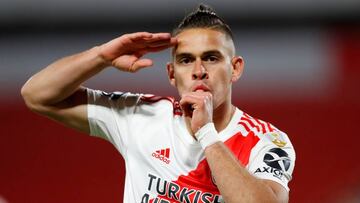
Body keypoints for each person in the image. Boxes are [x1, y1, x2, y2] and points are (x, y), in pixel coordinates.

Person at [21, 4, 295, 203]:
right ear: (172, 74)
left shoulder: (266, 141)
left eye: (211, 58)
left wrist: (207, 134)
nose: (199, 70)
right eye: (186, 60)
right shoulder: (142, 115)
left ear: (235, 68)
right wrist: (101, 56)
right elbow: (37, 95)